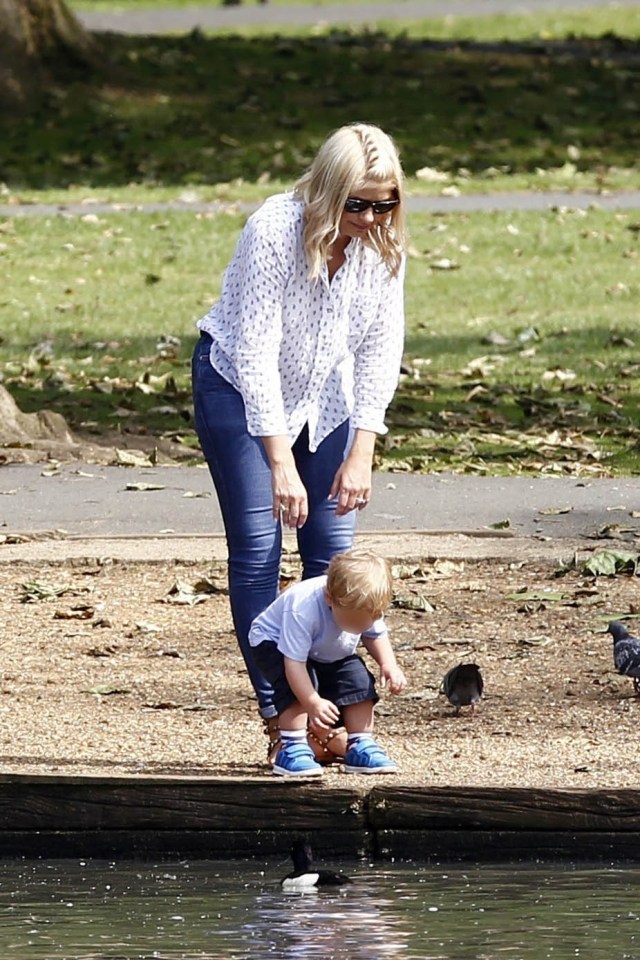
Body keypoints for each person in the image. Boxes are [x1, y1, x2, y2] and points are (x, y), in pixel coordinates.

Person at [191, 122, 407, 765]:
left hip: (330, 400)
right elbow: (254, 353)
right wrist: (279, 462)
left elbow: (378, 349)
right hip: (241, 390)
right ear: (327, 190)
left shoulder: (383, 247)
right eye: (357, 203)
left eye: (385, 201)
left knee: (335, 561)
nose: (371, 217)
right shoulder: (273, 230)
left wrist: (364, 446)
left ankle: (340, 720)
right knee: (260, 550)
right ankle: (286, 722)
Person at [249, 550, 406, 776]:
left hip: (326, 647)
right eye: (351, 621)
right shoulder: (302, 608)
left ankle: (360, 744)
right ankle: (292, 747)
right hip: (273, 643)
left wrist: (388, 664)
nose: (358, 628)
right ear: (329, 598)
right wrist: (312, 701)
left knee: (359, 680)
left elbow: (375, 634)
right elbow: (293, 664)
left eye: (364, 623)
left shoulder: (368, 602)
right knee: (299, 687)